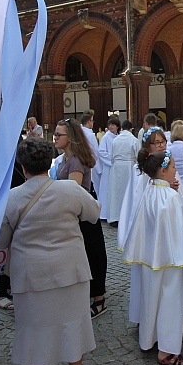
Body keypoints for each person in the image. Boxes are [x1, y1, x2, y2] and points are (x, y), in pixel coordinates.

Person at [0, 137, 98, 365]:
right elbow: (94, 213)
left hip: (30, 270)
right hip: (70, 266)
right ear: (49, 163)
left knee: (33, 323)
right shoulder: (69, 189)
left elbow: (1, 240)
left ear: (23, 167)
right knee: (73, 320)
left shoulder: (12, 197)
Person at [122, 149, 183, 365]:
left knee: (151, 297)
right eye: (173, 167)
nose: (176, 171)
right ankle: (167, 350)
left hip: (150, 258)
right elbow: (178, 231)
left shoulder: (149, 191)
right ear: (163, 171)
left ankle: (148, 339)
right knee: (170, 300)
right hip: (170, 260)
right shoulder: (171, 197)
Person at [53, 118, 107, 318]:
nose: (55, 137)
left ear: (71, 138)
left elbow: (73, 190)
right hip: (76, 211)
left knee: (92, 254)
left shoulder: (75, 160)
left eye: (59, 134)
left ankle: (99, 298)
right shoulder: (67, 158)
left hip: (82, 213)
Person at [106, 120, 138, 226]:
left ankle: (115, 217)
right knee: (128, 192)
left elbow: (112, 156)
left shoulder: (116, 140)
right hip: (129, 166)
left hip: (116, 167)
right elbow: (138, 155)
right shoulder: (133, 139)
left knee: (115, 193)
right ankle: (127, 216)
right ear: (131, 129)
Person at [96, 116, 120, 221]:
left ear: (117, 126)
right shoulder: (106, 137)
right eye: (110, 125)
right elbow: (101, 152)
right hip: (109, 167)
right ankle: (104, 213)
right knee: (106, 190)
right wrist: (111, 161)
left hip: (116, 167)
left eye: (113, 125)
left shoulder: (119, 137)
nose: (111, 127)